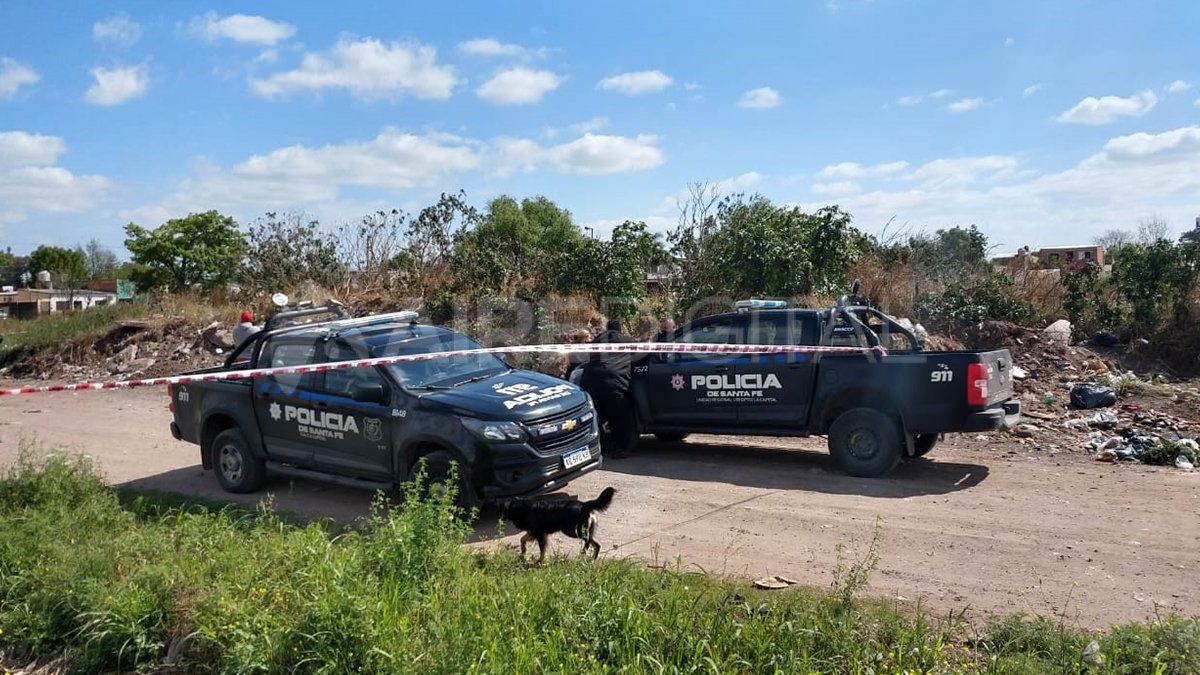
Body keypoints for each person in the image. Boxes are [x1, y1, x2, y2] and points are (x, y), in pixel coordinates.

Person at [578, 319, 637, 458]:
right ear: (620, 329)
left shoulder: (598, 340)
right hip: (614, 383)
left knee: (596, 416)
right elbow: (639, 355)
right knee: (620, 417)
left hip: (591, 381)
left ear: (607, 328)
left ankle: (600, 446)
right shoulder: (626, 340)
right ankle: (621, 449)